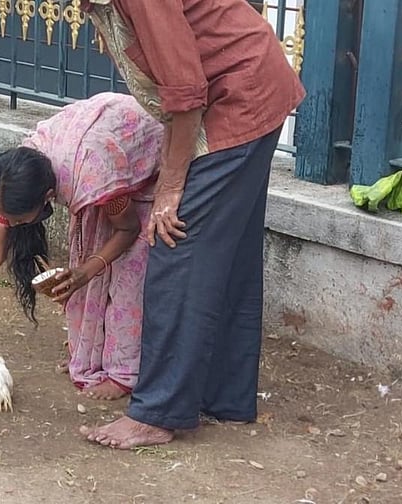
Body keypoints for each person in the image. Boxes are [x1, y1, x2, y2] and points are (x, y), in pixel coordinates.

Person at [77, 0, 306, 448]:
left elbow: (184, 91)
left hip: (239, 98)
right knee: (229, 253)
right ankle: (226, 396)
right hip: (251, 88)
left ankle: (158, 412)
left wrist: (170, 187)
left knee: (175, 245)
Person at [0, 92, 163, 400]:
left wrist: (85, 271)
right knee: (85, 263)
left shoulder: (94, 177)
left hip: (146, 155)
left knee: (126, 278)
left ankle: (124, 374)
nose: (13, 225)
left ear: (47, 196)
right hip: (99, 146)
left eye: (18, 220)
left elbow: (128, 227)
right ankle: (90, 356)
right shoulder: (17, 174)